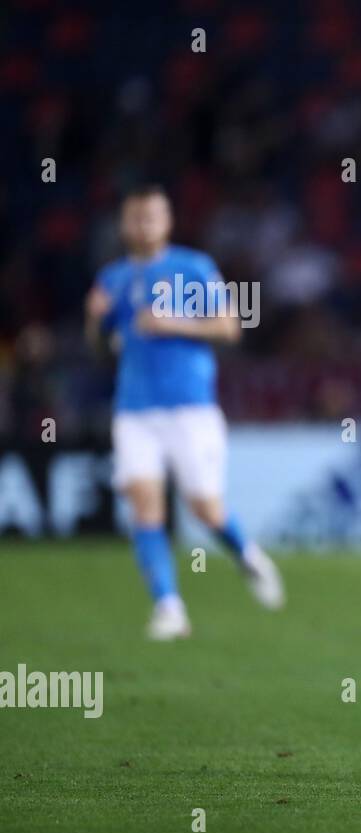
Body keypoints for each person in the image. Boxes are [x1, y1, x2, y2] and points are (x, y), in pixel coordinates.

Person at [85, 185, 283, 640]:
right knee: (144, 507)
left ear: (167, 221)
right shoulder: (112, 279)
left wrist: (170, 321)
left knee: (204, 509)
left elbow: (231, 328)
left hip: (190, 409)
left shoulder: (193, 268)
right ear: (124, 225)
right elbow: (99, 348)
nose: (143, 225)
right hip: (134, 410)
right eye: (135, 218)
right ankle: (169, 607)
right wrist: (95, 321)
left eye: (152, 216)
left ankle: (248, 554)